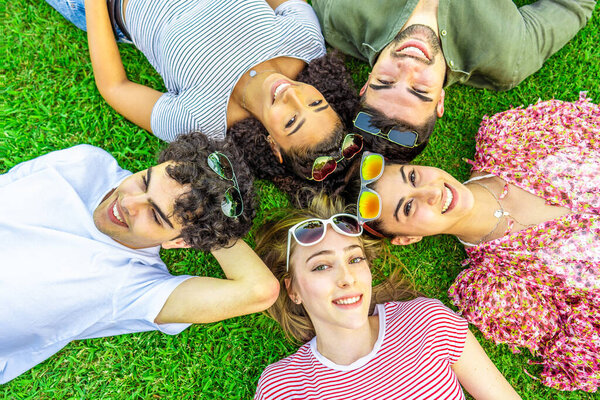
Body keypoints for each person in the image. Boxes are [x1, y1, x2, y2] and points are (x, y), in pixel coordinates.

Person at [353, 94, 600, 391]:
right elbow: (585, 343)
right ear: (408, 239)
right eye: (408, 207)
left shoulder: (508, 137)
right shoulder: (494, 290)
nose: (431, 192)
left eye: (414, 177)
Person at [0, 132, 279, 384]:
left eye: (155, 214)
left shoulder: (137, 284)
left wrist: (215, 227)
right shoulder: (87, 163)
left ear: (179, 241)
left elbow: (258, 291)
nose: (128, 203)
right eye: (144, 180)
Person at [43, 0, 360, 186]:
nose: (292, 95)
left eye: (292, 120)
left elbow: (116, 87)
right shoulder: (306, 46)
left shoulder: (202, 120)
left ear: (274, 146)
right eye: (316, 102)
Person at [253, 195, 520, 399]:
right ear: (293, 290)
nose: (347, 277)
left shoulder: (427, 322)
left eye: (355, 259)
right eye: (321, 266)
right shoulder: (283, 385)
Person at [312, 0, 596, 161]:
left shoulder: (339, 18)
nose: (407, 66)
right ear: (440, 100)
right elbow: (574, 5)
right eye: (420, 90)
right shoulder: (506, 56)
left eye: (385, 81)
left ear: (366, 82)